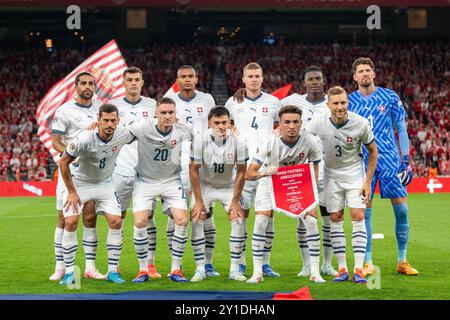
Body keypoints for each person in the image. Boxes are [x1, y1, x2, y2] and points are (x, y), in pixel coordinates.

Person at [348, 57, 418, 276]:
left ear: (374, 74)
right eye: (361, 71)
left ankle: (402, 260)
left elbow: (401, 128)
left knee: (402, 210)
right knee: (365, 212)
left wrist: (406, 160)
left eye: (368, 70)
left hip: (389, 159)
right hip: (362, 161)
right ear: (355, 76)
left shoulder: (389, 97)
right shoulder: (349, 101)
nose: (365, 74)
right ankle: (368, 262)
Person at [245, 105, 324, 283]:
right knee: (260, 221)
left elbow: (315, 169)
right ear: (279, 125)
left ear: (301, 123)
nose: (291, 126)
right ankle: (257, 272)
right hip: (270, 181)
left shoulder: (310, 141)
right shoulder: (269, 143)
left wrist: (311, 195)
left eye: (295, 122)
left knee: (311, 220)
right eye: (287, 122)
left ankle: (314, 272)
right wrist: (265, 173)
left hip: (297, 181)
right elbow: (249, 174)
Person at [307, 86, 378, 284]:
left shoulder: (360, 123)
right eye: (336, 103)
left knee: (358, 215)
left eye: (343, 103)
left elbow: (373, 151)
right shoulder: (318, 122)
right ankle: (342, 269)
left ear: (348, 103)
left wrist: (368, 181)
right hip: (331, 175)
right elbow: (303, 141)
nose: (340, 107)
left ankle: (358, 268)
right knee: (335, 218)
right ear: (328, 105)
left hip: (355, 174)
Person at [58, 103, 135, 286]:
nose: (109, 124)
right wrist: (71, 192)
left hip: (105, 184)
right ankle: (69, 273)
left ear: (118, 121)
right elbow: (63, 163)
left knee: (116, 221)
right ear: (98, 120)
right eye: (106, 120)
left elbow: (142, 130)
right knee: (70, 222)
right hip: (80, 183)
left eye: (113, 120)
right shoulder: (84, 138)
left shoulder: (123, 133)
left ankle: (112, 272)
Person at [279, 65, 338, 278]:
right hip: (302, 170)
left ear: (323, 81)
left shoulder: (332, 104)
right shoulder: (292, 101)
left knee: (328, 217)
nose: (314, 82)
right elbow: (265, 107)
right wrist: (242, 94)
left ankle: (327, 264)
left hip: (329, 169)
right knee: (304, 218)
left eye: (318, 78)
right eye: (310, 79)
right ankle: (306, 265)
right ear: (304, 82)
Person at [224, 62, 280, 278]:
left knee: (268, 217)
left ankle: (265, 263)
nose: (254, 79)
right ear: (243, 79)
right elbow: (225, 127)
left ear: (262, 78)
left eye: (258, 75)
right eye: (251, 76)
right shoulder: (233, 102)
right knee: (240, 216)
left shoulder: (274, 102)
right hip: (241, 167)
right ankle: (239, 264)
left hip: (266, 167)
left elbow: (283, 125)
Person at [128, 97, 191, 283]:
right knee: (140, 222)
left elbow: (207, 137)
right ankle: (143, 269)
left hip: (172, 180)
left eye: (171, 112)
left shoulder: (183, 130)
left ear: (175, 114)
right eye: (163, 113)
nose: (167, 116)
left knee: (182, 220)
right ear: (156, 114)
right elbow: (118, 134)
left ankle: (176, 269)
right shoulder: (142, 127)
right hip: (145, 181)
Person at [50, 72, 104, 281]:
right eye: (84, 83)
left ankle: (90, 267)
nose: (88, 87)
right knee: (64, 219)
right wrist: (70, 156)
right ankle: (60, 267)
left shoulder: (101, 108)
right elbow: (56, 140)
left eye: (91, 83)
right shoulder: (64, 110)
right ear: (76, 86)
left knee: (90, 218)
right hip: (69, 171)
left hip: (91, 172)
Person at [165, 65, 218, 277]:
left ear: (196, 79)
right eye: (183, 77)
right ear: (177, 80)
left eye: (190, 76)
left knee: (206, 214)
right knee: (173, 215)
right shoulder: (169, 101)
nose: (187, 80)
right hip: (175, 162)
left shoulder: (207, 100)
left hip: (203, 161)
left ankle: (207, 264)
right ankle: (176, 263)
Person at [109, 66, 161, 278]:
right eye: (129, 79)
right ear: (123, 83)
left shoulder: (152, 105)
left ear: (142, 82)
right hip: (120, 169)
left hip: (145, 171)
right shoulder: (115, 107)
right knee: (117, 218)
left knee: (148, 217)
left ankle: (150, 265)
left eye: (136, 79)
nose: (133, 83)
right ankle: (116, 265)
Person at [189, 106, 248, 282]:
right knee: (196, 218)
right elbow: (193, 171)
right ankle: (200, 269)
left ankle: (234, 269)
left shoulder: (239, 142)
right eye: (217, 123)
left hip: (228, 187)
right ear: (210, 123)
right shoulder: (199, 140)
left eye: (225, 122)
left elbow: (242, 172)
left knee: (238, 220)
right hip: (205, 186)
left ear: (230, 123)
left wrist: (236, 201)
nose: (221, 126)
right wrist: (199, 202)